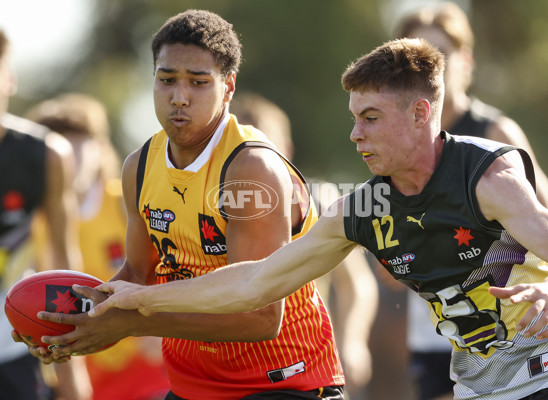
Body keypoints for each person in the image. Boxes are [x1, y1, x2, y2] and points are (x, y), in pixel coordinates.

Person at [88, 38, 548, 400]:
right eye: (354, 118)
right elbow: (255, 282)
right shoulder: (364, 208)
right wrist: (141, 300)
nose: (355, 135)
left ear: (421, 114)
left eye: (371, 118)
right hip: (477, 386)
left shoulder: (484, 173)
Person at [28, 10, 345, 400]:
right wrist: (73, 324)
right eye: (167, 80)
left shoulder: (251, 167)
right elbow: (138, 274)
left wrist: (132, 325)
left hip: (284, 382)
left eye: (198, 82)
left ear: (228, 87)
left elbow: (261, 316)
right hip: (189, 385)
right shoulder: (139, 166)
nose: (179, 96)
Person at [393, 3, 548, 399]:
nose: (427, 70)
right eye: (414, 59)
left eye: (439, 55)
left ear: (466, 61)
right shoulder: (394, 147)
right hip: (437, 339)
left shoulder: (494, 131)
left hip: (507, 334)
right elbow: (391, 264)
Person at [230, 92, 378, 398]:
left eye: (268, 148)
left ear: (288, 148)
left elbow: (358, 284)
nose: (258, 162)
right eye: (245, 151)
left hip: (306, 369)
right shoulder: (215, 205)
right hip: (229, 371)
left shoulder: (320, 198)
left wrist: (353, 340)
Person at [25, 93, 170, 400]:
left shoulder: (128, 201)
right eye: (58, 143)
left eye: (79, 142)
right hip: (76, 369)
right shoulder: (29, 220)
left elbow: (175, 265)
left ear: (101, 149)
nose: (69, 155)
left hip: (143, 365)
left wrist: (162, 325)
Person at [0, 29, 91, 400]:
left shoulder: (48, 154)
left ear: (10, 77)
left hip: (12, 347)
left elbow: (63, 258)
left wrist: (73, 371)